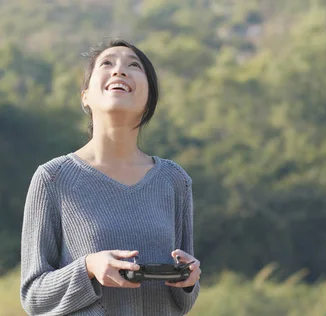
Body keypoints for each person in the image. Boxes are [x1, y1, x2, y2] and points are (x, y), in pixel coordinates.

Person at [19, 39, 201, 316]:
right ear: (85, 96)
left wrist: (188, 281)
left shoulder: (174, 180)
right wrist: (89, 267)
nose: (119, 71)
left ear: (150, 98)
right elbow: (33, 296)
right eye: (107, 64)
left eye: (133, 65)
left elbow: (184, 301)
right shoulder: (53, 178)